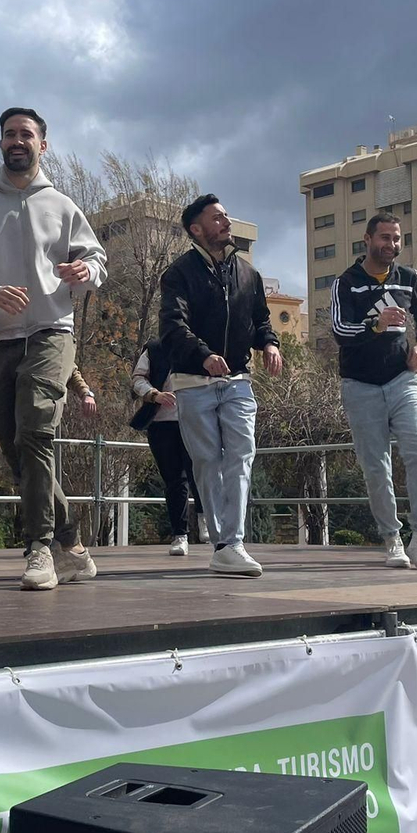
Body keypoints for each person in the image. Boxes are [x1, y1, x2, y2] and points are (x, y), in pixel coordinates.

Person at [0, 107, 107, 590]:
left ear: (42, 145)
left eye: (26, 134)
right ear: (0, 143)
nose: (17, 141)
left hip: (53, 328)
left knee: (35, 426)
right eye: (9, 134)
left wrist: (83, 272)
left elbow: (96, 258)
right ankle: (72, 542)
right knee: (15, 445)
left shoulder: (63, 205)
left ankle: (40, 549)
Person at [159, 195, 282, 576]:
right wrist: (204, 354)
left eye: (226, 215)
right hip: (193, 382)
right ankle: (222, 543)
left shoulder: (248, 274)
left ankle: (233, 542)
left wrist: (270, 344)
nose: (226, 222)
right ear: (196, 229)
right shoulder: (178, 274)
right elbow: (172, 327)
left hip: (238, 381)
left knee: (242, 454)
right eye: (217, 218)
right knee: (208, 460)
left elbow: (261, 319)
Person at [328, 213, 417, 571]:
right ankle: (392, 538)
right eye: (385, 238)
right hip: (360, 384)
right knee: (376, 465)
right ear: (367, 239)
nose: (391, 245)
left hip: (402, 379)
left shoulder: (409, 279)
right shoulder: (346, 282)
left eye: (396, 238)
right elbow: (339, 330)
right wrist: (374, 325)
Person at [130, 339, 206, 556]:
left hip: (194, 421)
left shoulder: (200, 346)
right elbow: (137, 379)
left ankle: (206, 520)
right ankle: (180, 535)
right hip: (161, 424)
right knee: (174, 480)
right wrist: (155, 395)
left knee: (199, 472)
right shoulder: (154, 349)